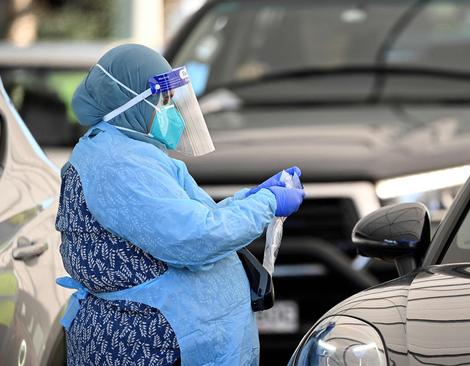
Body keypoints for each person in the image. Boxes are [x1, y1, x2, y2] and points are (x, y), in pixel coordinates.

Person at [54, 44, 305, 366]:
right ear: (132, 101)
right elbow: (194, 238)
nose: (170, 111)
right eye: (163, 100)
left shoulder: (130, 152)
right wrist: (267, 203)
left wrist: (253, 196)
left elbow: (198, 215)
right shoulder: (118, 165)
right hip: (147, 343)